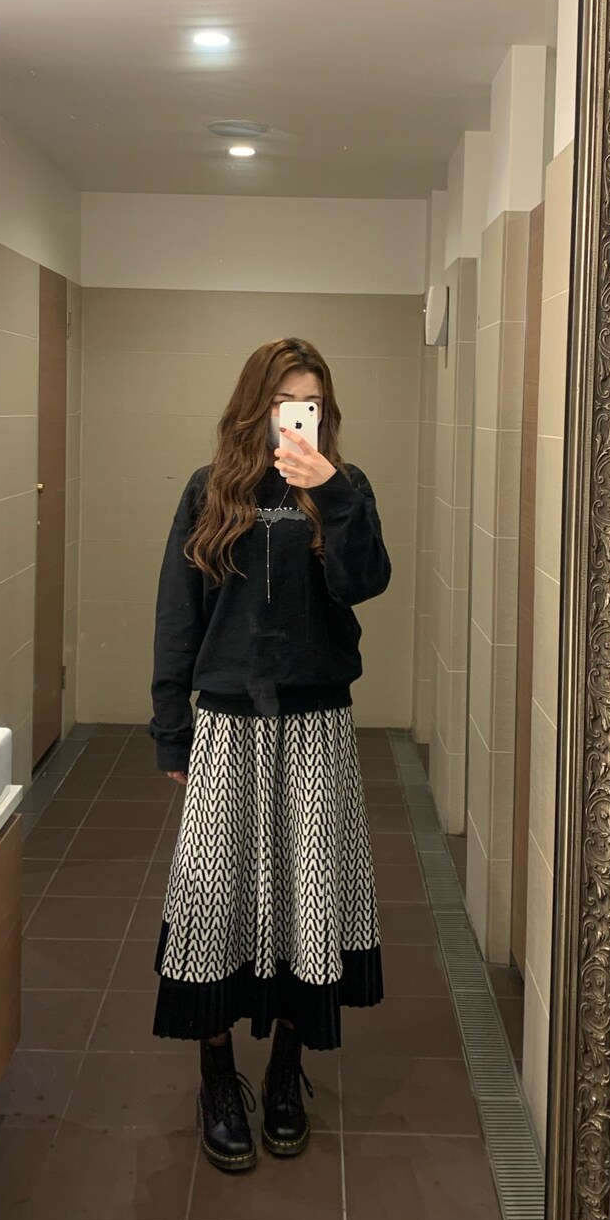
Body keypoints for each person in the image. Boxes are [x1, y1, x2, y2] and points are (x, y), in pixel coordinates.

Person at [148, 336, 390, 1172]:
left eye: (311, 404)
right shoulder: (208, 490)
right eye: (286, 401)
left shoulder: (346, 489)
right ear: (257, 406)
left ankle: (287, 1068)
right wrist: (169, 723)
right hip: (227, 723)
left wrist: (335, 494)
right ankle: (217, 1075)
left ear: (326, 412)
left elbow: (365, 583)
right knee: (213, 899)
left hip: (317, 723)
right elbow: (178, 611)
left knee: (306, 898)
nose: (298, 417)